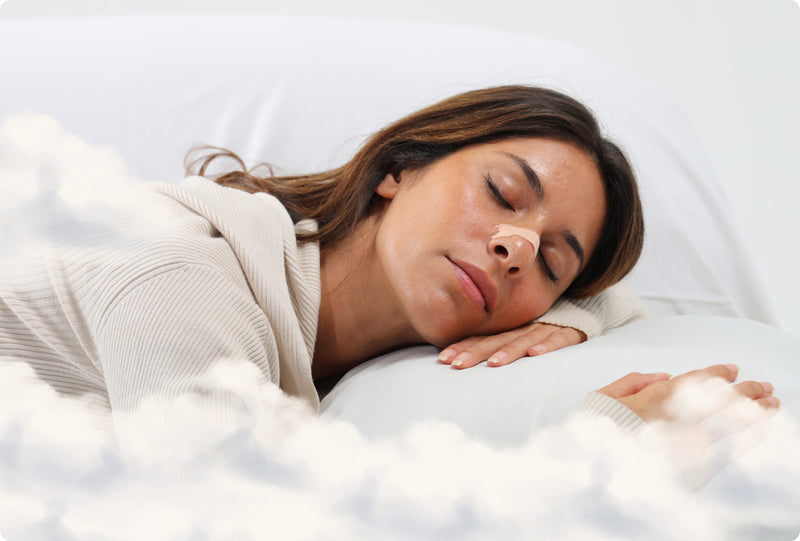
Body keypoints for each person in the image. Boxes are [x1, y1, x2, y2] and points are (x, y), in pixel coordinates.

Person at [0, 85, 778, 446]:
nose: (518, 246)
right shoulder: (180, 269)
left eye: (553, 262)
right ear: (398, 168)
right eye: (503, 191)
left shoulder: (292, 330)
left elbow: (626, 303)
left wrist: (570, 321)